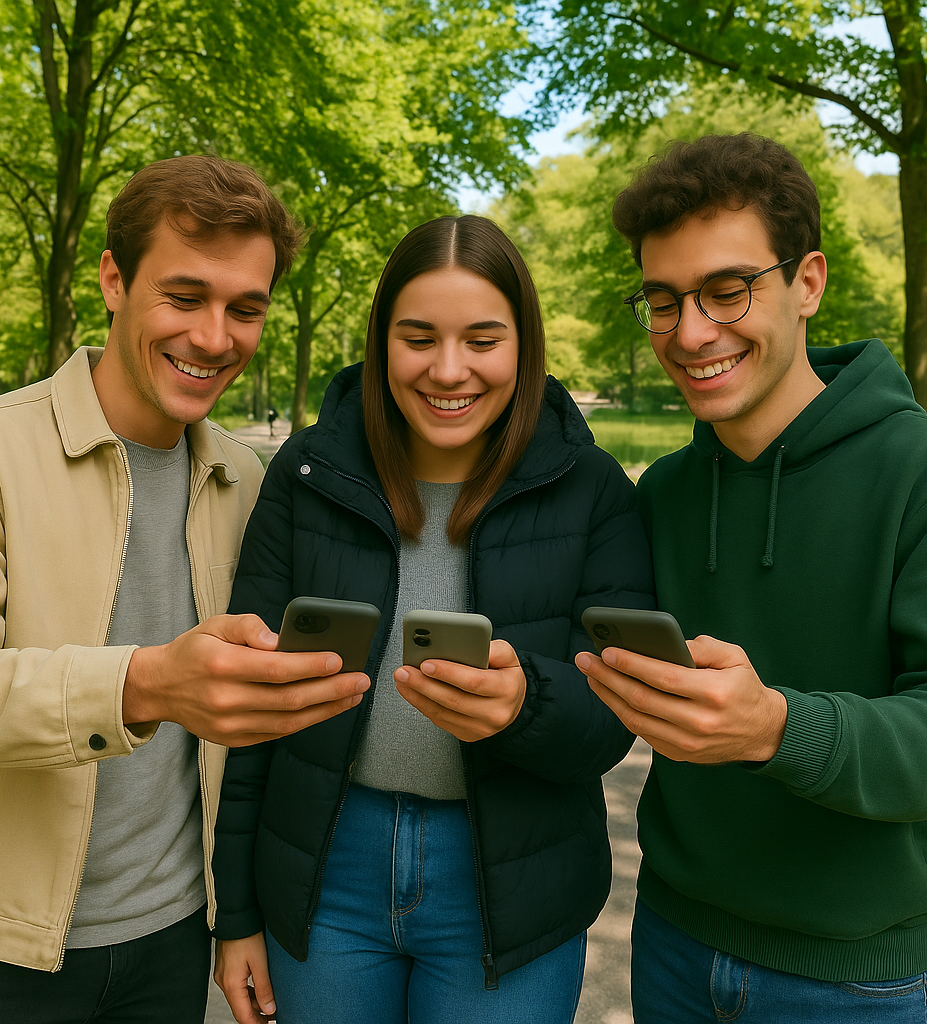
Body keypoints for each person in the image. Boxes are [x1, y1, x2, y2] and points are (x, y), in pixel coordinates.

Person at [0, 155, 373, 1024]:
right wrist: (142, 684)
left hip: (175, 937)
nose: (215, 337)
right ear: (112, 280)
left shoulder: (247, 479)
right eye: (184, 296)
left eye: (246, 309)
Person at [212, 214, 655, 1024]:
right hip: (324, 871)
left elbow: (617, 715)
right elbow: (249, 713)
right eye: (419, 337)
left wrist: (529, 705)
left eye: (483, 340)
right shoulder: (305, 476)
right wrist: (235, 914)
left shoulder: (593, 490)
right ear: (382, 342)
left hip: (512, 885)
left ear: (525, 346)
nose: (449, 369)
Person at [578, 132, 927, 1023]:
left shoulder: (926, 474)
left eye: (727, 289)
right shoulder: (664, 491)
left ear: (807, 282)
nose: (692, 332)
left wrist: (777, 728)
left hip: (850, 978)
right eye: (664, 301)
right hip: (670, 940)